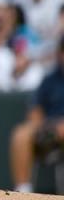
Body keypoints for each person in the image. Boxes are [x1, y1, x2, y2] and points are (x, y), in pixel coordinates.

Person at [9, 37, 64, 193]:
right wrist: (45, 125)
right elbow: (35, 109)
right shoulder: (50, 80)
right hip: (51, 132)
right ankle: (23, 191)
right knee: (21, 134)